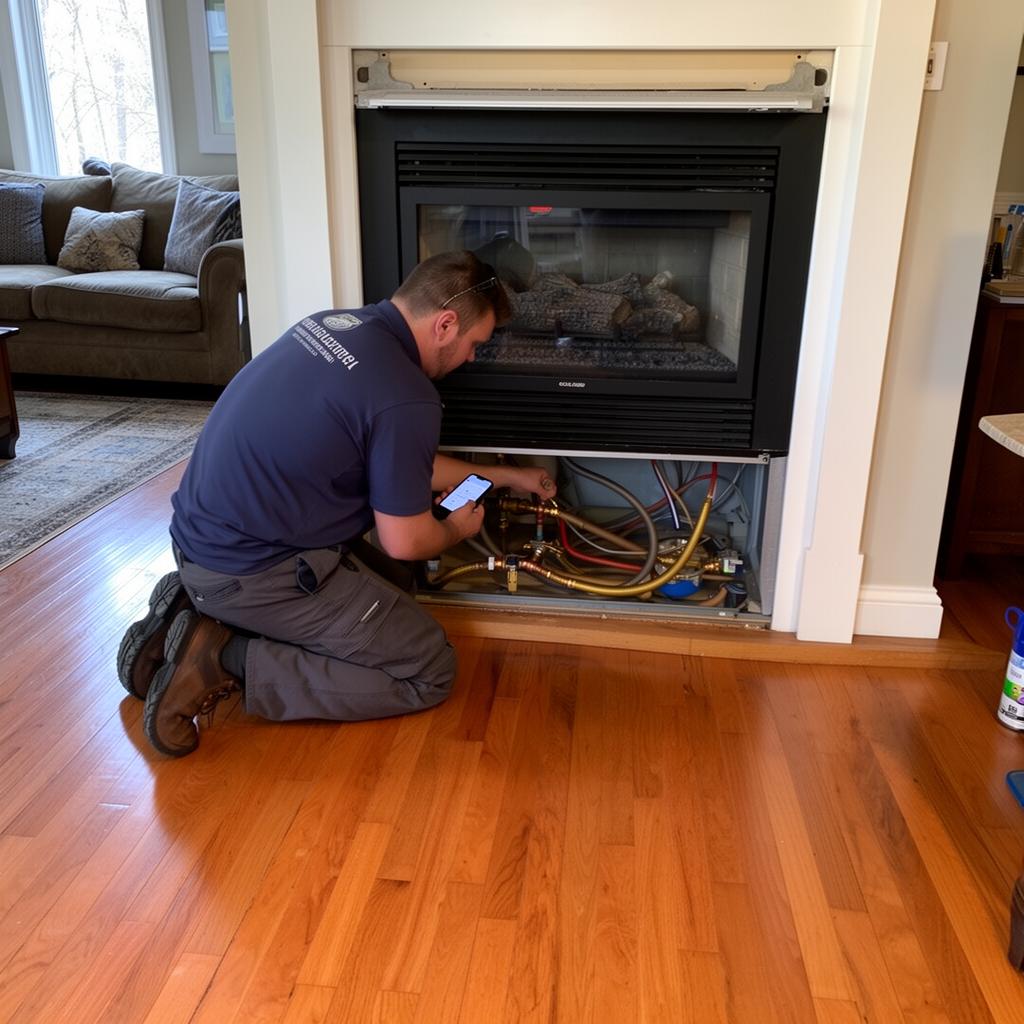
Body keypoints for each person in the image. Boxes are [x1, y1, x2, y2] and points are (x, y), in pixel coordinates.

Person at [117, 251, 556, 757]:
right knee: (429, 669)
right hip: (251, 572)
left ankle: (187, 611)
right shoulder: (406, 395)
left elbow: (402, 459)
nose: (473, 358)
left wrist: (503, 476)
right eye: (475, 344)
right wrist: (456, 530)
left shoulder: (331, 326)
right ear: (446, 323)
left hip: (197, 544)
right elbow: (406, 539)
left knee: (393, 587)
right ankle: (223, 656)